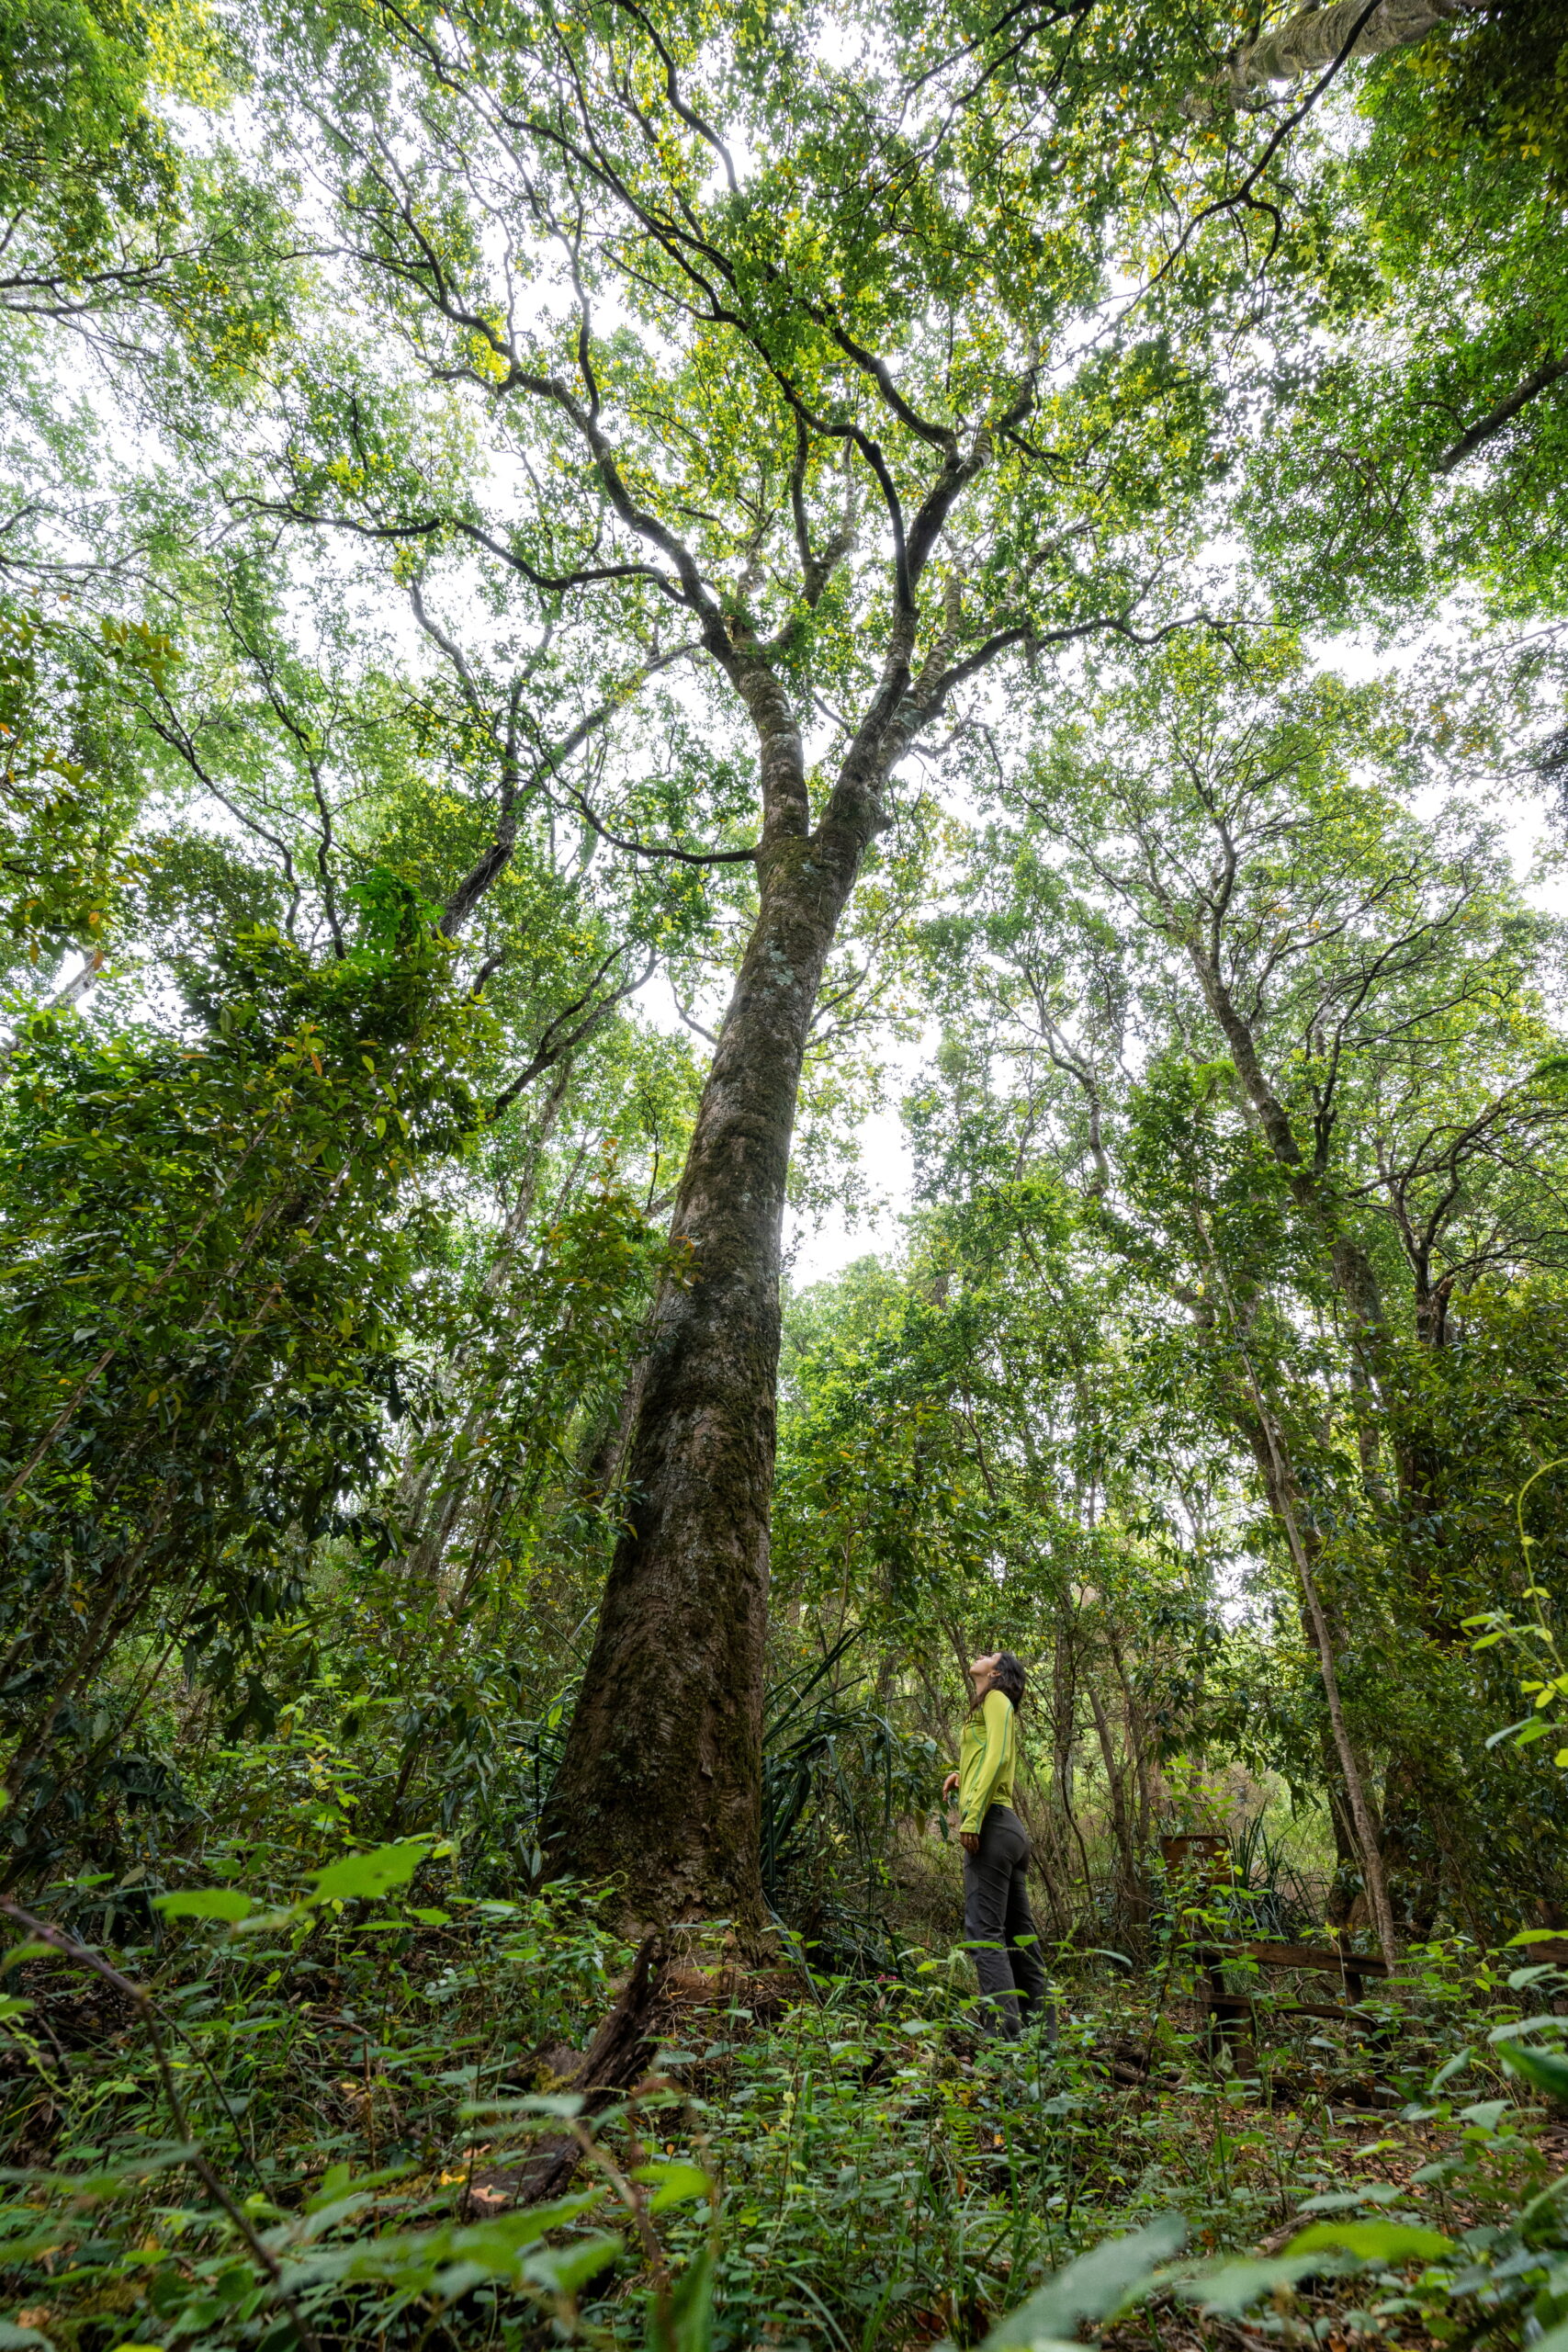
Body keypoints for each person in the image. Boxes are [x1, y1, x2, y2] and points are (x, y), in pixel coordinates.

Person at [942, 1650, 1047, 2042]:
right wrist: (960, 1775)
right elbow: (987, 1755)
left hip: (993, 1827)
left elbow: (999, 1755)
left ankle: (1003, 2045)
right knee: (1021, 1940)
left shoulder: (997, 1698)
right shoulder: (988, 1705)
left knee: (985, 1934)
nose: (981, 1656)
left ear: (998, 1672)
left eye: (990, 1655)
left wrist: (971, 1817)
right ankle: (1042, 2042)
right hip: (1007, 1829)